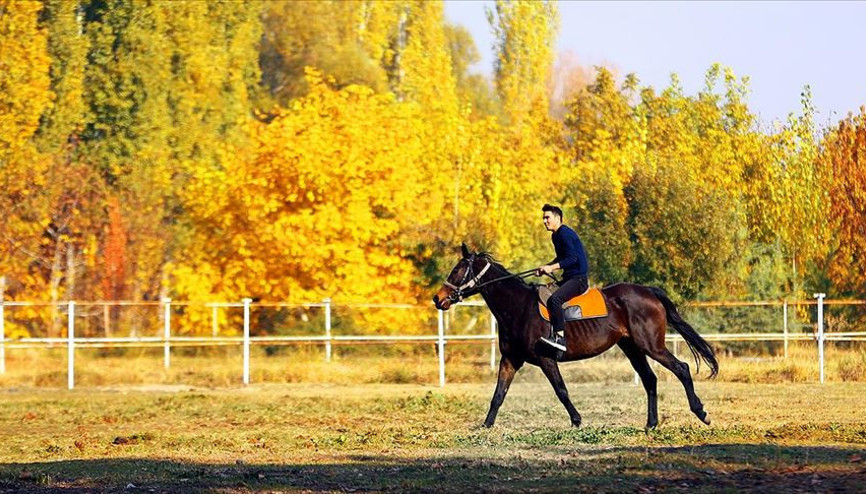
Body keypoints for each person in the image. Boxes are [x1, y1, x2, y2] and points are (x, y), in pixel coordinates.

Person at [537, 204, 589, 352]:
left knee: (555, 300)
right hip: (568, 278)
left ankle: (560, 338)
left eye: (547, 217)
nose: (544, 221)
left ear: (558, 218)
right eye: (543, 218)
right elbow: (562, 257)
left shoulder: (565, 233)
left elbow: (572, 259)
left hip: (578, 279)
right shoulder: (556, 235)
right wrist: (545, 267)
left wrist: (551, 268)